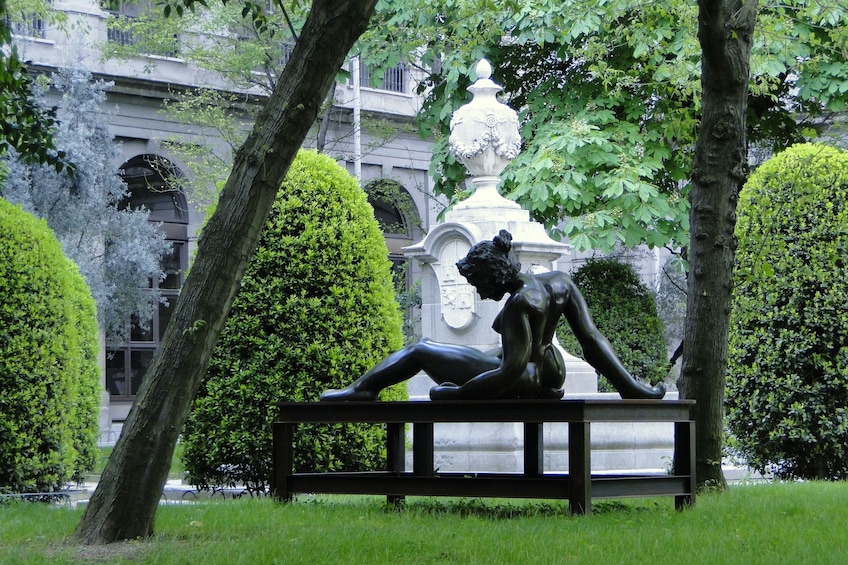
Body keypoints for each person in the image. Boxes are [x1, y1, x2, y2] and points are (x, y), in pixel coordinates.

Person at [320, 230, 665, 401]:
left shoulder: (518, 304)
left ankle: (362, 390)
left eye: (476, 283)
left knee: (421, 348)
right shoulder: (559, 282)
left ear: (491, 275)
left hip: (523, 378)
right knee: (488, 354)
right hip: (551, 372)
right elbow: (591, 340)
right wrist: (630, 388)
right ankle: (546, 390)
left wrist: (460, 394)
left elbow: (509, 372)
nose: (478, 292)